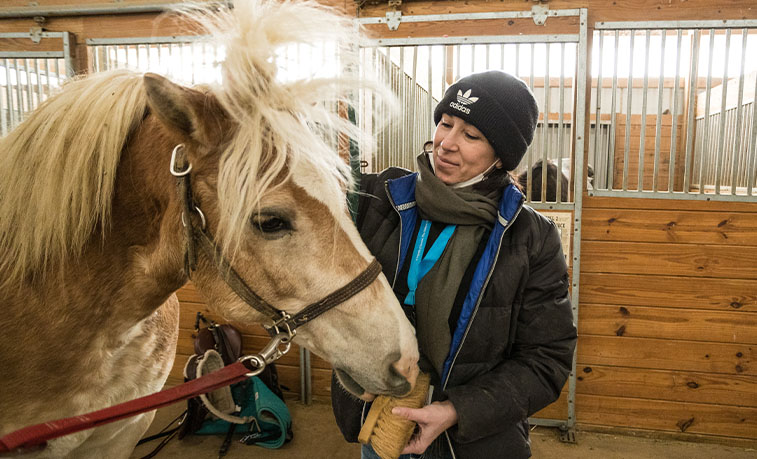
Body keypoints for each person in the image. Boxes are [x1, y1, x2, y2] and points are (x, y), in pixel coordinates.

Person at [331, 70, 577, 459]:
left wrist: (455, 411)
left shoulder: (531, 237)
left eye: (472, 135)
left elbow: (546, 359)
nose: (446, 143)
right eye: (446, 123)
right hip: (383, 423)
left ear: (501, 155)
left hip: (473, 442)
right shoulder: (380, 199)